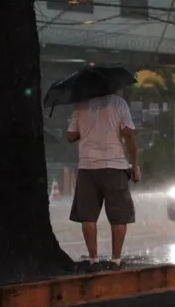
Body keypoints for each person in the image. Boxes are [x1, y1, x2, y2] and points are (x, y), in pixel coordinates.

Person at [66, 93, 140, 271]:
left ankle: (93, 260)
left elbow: (70, 136)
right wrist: (135, 164)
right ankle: (116, 260)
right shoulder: (119, 103)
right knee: (119, 217)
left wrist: (86, 130)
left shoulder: (81, 105)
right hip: (115, 167)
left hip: (88, 168)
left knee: (88, 217)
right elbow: (128, 134)